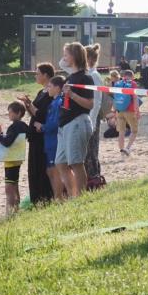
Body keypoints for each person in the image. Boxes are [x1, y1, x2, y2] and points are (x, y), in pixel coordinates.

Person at [56, 42, 95, 197]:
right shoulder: (70, 76)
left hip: (77, 121)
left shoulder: (85, 77)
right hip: (65, 124)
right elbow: (61, 63)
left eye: (66, 54)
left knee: (76, 163)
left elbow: (89, 104)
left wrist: (72, 95)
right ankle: (73, 194)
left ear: (74, 56)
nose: (64, 57)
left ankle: (81, 196)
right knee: (60, 162)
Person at [19, 63, 55, 205]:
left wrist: (31, 106)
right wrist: (28, 104)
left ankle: (44, 198)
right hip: (34, 135)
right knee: (33, 168)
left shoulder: (50, 93)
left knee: (41, 168)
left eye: (38, 73)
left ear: (46, 75)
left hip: (42, 136)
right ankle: (37, 198)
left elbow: (41, 114)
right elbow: (34, 112)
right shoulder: (42, 92)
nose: (36, 76)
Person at [0, 101, 30, 214]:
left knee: (9, 188)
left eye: (10, 112)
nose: (8, 114)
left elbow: (7, 142)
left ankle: (10, 213)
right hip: (17, 160)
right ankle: (16, 210)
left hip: (11, 161)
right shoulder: (23, 125)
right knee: (15, 186)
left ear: (18, 113)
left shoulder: (15, 126)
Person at [39, 75, 66, 200]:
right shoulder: (53, 102)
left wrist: (42, 127)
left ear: (58, 88)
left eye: (50, 86)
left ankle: (59, 197)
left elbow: (55, 123)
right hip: (48, 141)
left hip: (55, 140)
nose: (48, 89)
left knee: (55, 171)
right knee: (50, 171)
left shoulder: (59, 102)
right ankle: (58, 197)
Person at [83, 43, 106, 185]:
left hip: (92, 117)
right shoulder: (85, 73)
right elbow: (63, 63)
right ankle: (88, 179)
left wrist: (91, 122)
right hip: (86, 117)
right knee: (86, 152)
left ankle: (94, 178)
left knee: (91, 151)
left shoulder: (94, 75)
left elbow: (97, 102)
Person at [108, 68, 139, 155]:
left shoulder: (117, 84)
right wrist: (137, 111)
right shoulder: (133, 84)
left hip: (119, 110)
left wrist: (114, 110)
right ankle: (127, 148)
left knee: (121, 132)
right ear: (132, 77)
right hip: (130, 110)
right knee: (134, 131)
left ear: (123, 76)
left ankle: (121, 151)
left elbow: (115, 97)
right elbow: (135, 98)